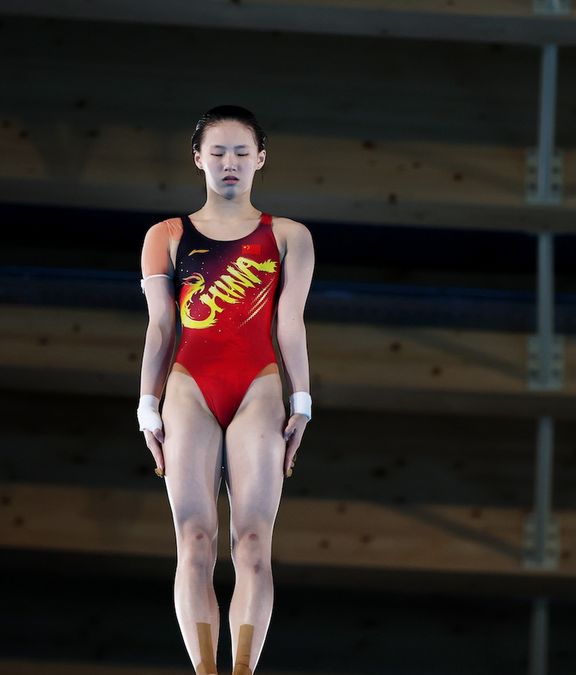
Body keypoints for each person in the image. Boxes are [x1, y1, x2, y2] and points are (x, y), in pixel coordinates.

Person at [137, 105, 315, 675]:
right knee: (193, 541)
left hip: (258, 385)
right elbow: (162, 326)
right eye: (218, 152)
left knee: (253, 546)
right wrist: (147, 406)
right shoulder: (166, 236)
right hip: (190, 383)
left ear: (260, 159)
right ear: (198, 160)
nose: (230, 163)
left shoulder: (288, 236)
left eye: (241, 152)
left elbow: (290, 323)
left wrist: (302, 402)